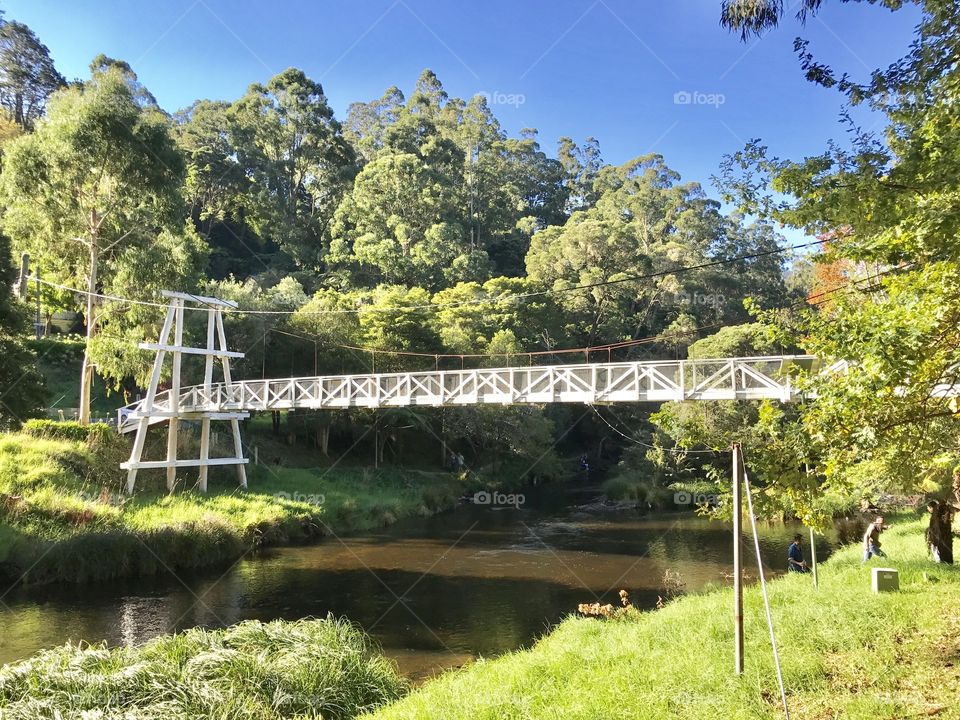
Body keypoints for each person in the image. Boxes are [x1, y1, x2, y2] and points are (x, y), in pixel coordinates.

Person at [926, 499, 956, 564]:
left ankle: (941, 562)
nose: (928, 510)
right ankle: (947, 562)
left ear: (931, 507)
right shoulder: (939, 515)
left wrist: (932, 538)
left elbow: (934, 529)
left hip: (938, 538)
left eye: (928, 508)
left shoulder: (935, 516)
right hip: (945, 538)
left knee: (938, 552)